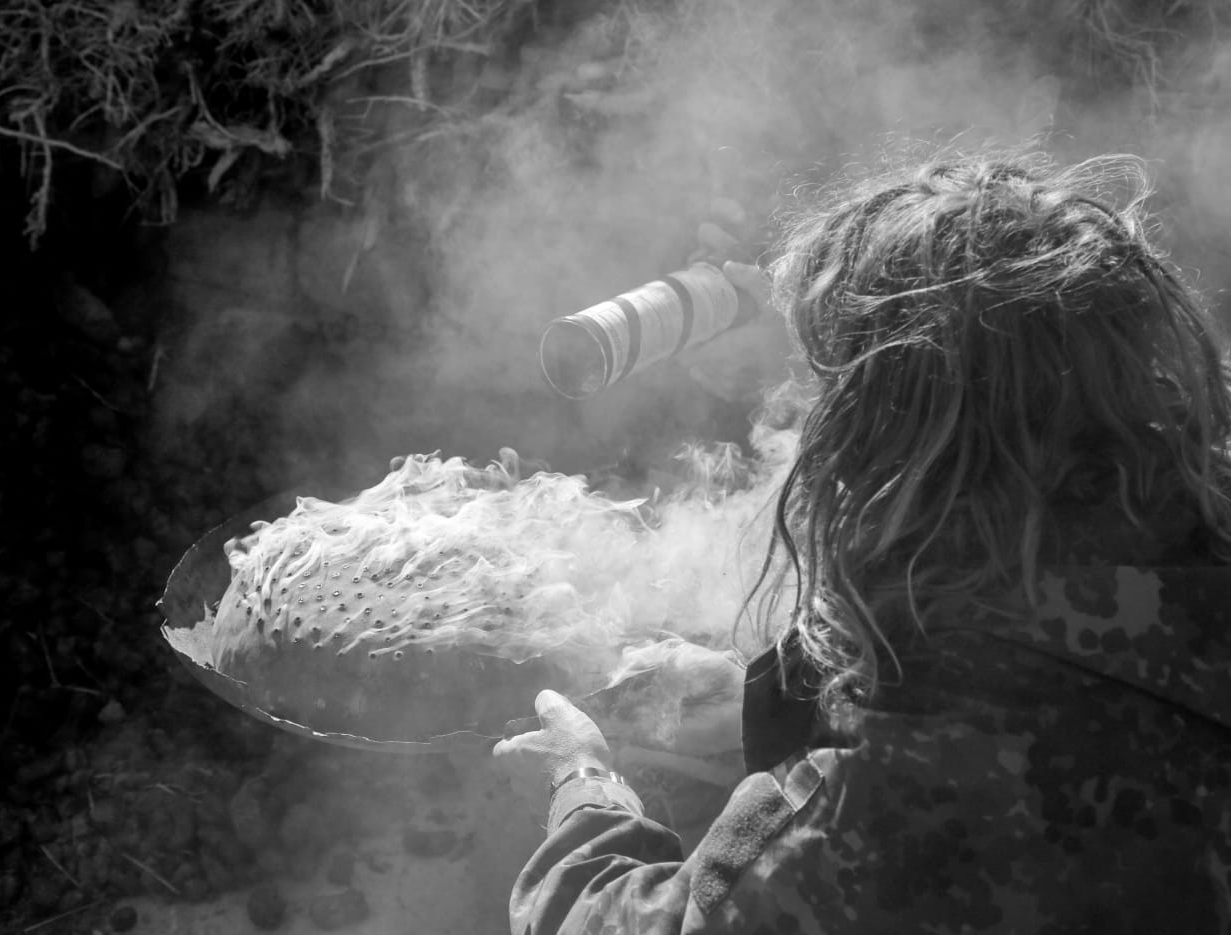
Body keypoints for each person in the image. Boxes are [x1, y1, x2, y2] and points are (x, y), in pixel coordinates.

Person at [492, 149, 1231, 933]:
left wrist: (582, 786)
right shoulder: (1179, 508)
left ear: (910, 456)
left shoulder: (924, 787)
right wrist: (771, 694)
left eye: (838, 394)